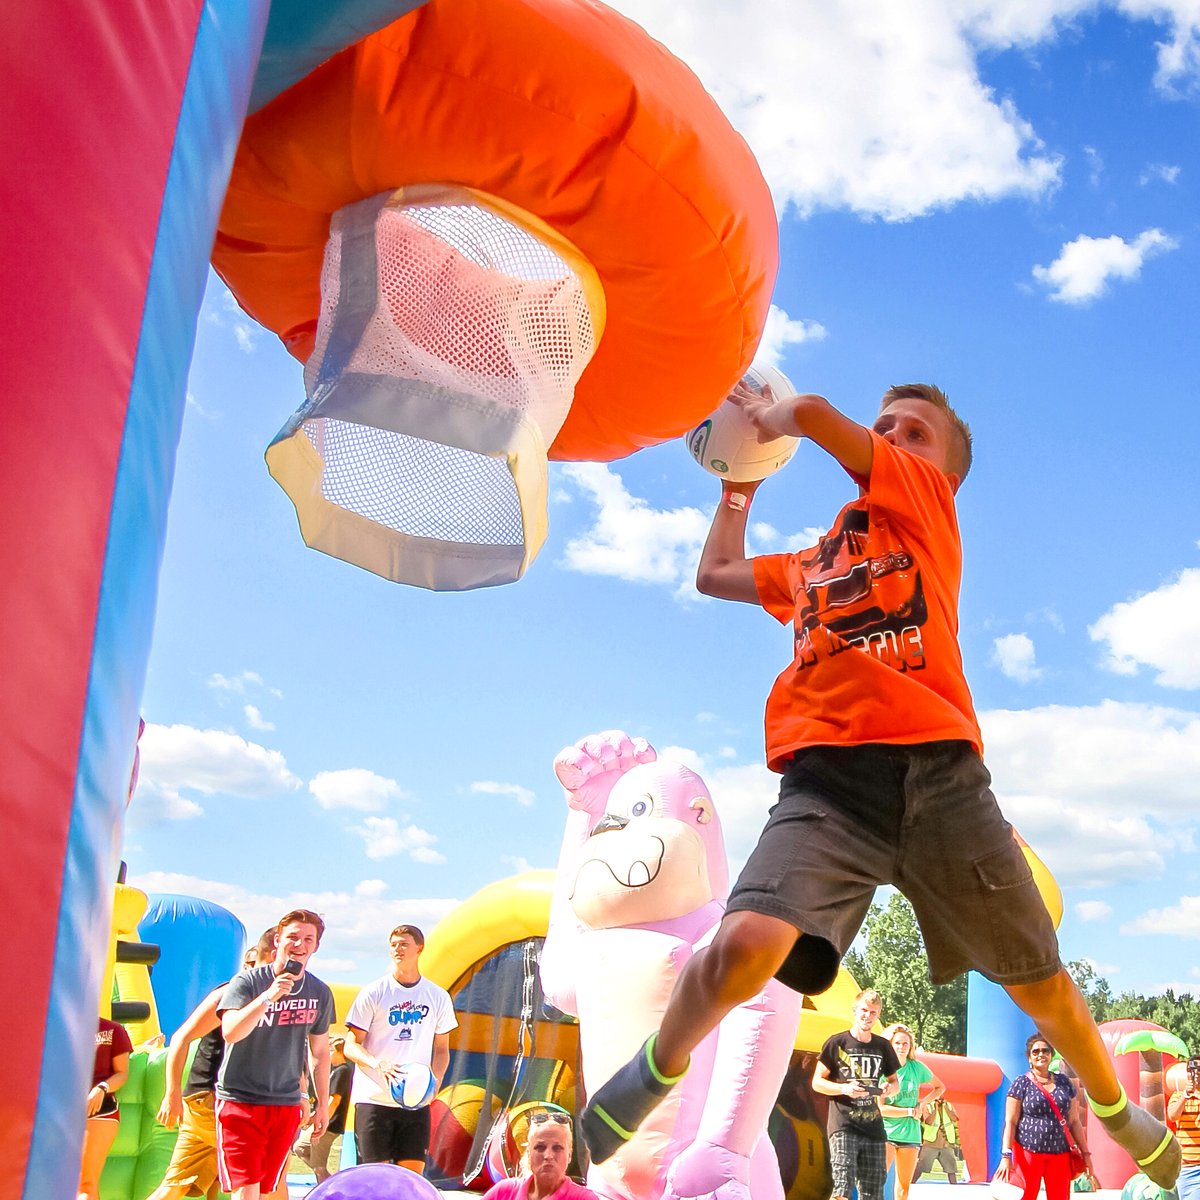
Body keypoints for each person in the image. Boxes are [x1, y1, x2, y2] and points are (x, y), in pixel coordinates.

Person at [580, 381, 1181, 1189]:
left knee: (1038, 976)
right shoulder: (810, 564)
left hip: (941, 778)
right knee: (745, 944)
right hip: (827, 784)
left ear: (942, 471)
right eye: (887, 425)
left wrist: (796, 415)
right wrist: (738, 487)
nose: (895, 435)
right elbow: (714, 572)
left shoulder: (925, 505)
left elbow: (834, 426)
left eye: (915, 433)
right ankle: (661, 1060)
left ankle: (1113, 1107)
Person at [148, 928, 278, 1200]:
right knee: (260, 1178)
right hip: (213, 1098)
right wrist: (171, 1094)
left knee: (193, 1184)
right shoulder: (233, 992)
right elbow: (182, 1037)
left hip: (224, 1098)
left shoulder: (275, 999)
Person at [216, 909, 335, 1200]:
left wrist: (321, 1103)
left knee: (268, 1188)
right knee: (246, 1187)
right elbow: (230, 1031)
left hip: (284, 1102)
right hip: (240, 1098)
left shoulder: (319, 992)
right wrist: (268, 997)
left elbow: (319, 1051)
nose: (300, 944)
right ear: (278, 939)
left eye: (308, 938)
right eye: (293, 937)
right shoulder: (248, 983)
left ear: (316, 946)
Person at [343, 923, 457, 1173]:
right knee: (374, 1178)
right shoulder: (373, 992)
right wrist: (377, 1063)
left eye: (404, 944)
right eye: (393, 945)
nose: (397, 949)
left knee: (410, 1178)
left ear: (420, 949)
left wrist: (434, 1082)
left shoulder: (437, 996)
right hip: (374, 1099)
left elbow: (441, 1049)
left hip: (415, 1101)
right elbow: (350, 1046)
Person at [810, 990, 901, 1200]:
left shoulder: (882, 1046)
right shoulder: (837, 1043)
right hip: (844, 1124)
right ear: (854, 1011)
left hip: (873, 1127)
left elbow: (894, 1081)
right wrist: (844, 1088)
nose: (868, 1016)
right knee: (842, 1183)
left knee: (873, 1189)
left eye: (873, 1013)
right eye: (864, 1010)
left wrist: (890, 1089)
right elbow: (817, 1082)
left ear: (878, 1016)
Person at [995, 1034, 1094, 1200]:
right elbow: (1010, 1122)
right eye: (1036, 1052)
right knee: (1026, 1196)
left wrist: (1086, 1155)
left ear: (1051, 1055)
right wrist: (1006, 1155)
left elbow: (1074, 1121)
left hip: (1060, 1153)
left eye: (1045, 1051)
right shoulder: (1021, 1083)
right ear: (1029, 1058)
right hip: (1028, 1152)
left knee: (1060, 1197)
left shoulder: (1064, 1083)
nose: (1041, 1054)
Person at [879, 1022, 945, 1200]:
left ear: (910, 1046)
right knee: (877, 1183)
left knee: (904, 1188)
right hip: (886, 1133)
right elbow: (881, 1109)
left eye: (905, 1043)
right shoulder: (882, 1069)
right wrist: (909, 1111)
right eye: (897, 1043)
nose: (901, 1047)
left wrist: (922, 1103)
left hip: (911, 1134)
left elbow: (940, 1087)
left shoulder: (917, 1067)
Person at [482, 1111, 599, 1200]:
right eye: (540, 1148)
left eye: (557, 1148)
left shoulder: (584, 1198)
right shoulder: (504, 1192)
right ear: (528, 1153)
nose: (548, 1155)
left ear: (569, 1155)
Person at [78, 1015, 132, 1200]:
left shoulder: (111, 1030)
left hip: (99, 1109)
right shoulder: (59, 1028)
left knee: (85, 1183)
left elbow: (122, 1073)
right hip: (63, 1110)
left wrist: (102, 1088)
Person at [293, 1034, 354, 1182]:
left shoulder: (343, 1070)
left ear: (339, 1052)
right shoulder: (337, 1070)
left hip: (331, 1124)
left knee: (319, 1167)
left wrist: (321, 1120)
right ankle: (330, 1181)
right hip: (328, 1121)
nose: (329, 1054)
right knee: (300, 1148)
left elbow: (334, 1100)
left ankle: (331, 1186)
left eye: (331, 1050)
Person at [1167, 1056, 1200, 1200]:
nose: (1197, 1074)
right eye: (1193, 1070)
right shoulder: (1178, 1096)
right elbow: (1172, 1116)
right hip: (1188, 1168)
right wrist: (1186, 1095)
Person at [915, 1096, 962, 1184]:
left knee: (951, 1168)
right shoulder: (928, 1106)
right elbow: (928, 1121)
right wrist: (936, 1108)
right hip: (931, 1143)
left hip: (946, 1143)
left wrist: (946, 1108)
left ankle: (955, 1187)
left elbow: (955, 1118)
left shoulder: (948, 1105)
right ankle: (910, 1184)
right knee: (921, 1166)